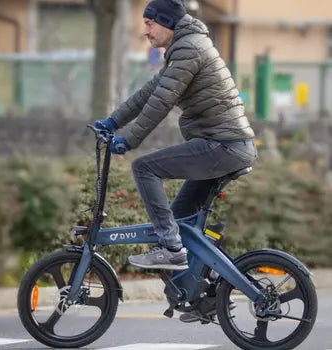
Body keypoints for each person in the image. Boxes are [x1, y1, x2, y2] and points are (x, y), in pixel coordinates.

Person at [95, 0, 256, 271]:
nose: (145, 31)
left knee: (144, 167)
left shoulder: (189, 48)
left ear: (167, 23)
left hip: (223, 145)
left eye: (149, 23)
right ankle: (199, 293)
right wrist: (113, 121)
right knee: (179, 220)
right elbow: (149, 92)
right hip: (224, 144)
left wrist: (130, 140)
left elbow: (161, 101)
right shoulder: (184, 47)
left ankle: (170, 249)